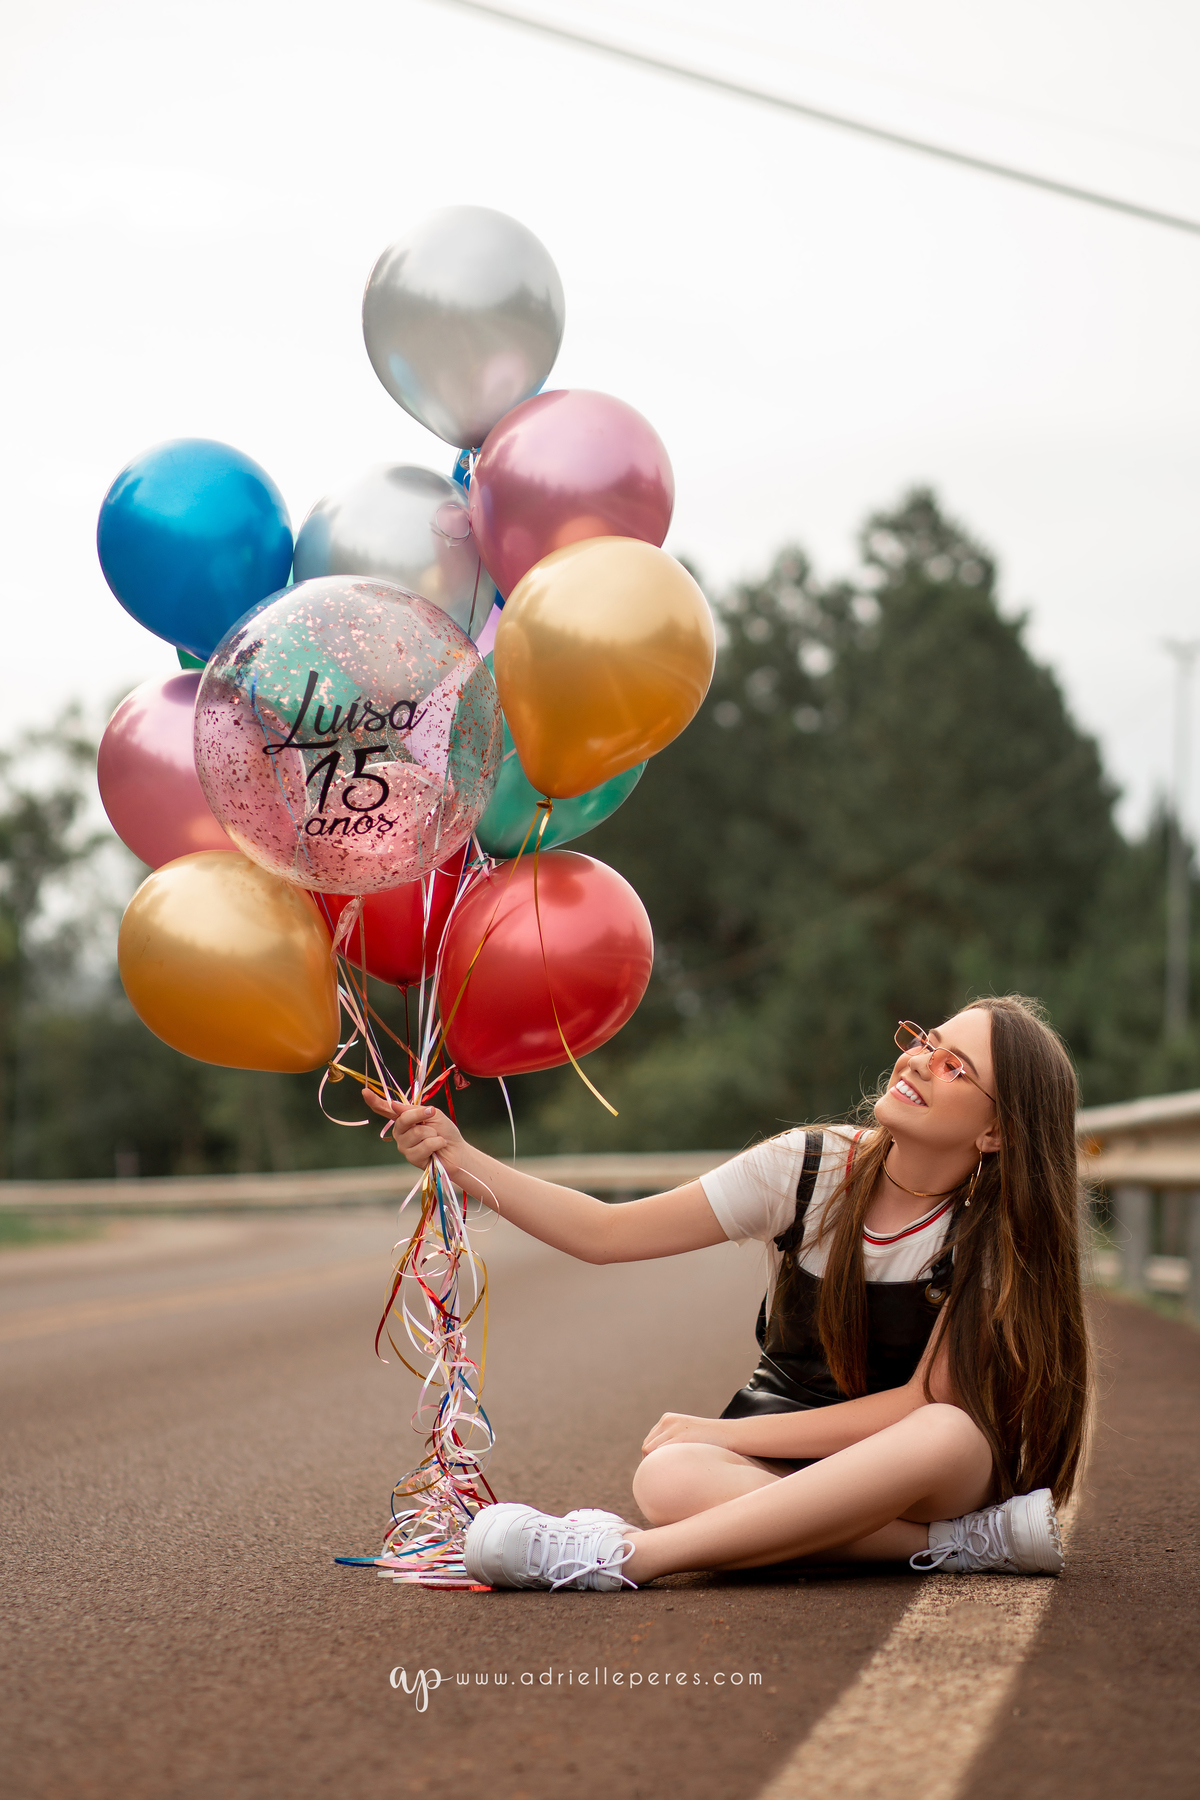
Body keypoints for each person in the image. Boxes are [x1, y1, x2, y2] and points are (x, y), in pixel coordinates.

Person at [364, 994, 1090, 1593]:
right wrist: (459, 1156)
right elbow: (606, 1233)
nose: (921, 1062)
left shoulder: (995, 1229)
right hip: (787, 1437)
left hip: (914, 1463)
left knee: (947, 1433)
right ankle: (958, 1544)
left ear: (995, 1132)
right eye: (927, 1041)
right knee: (668, 1478)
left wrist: (729, 1434)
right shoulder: (809, 1167)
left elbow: (919, 1405)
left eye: (955, 1067)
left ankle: (627, 1557)